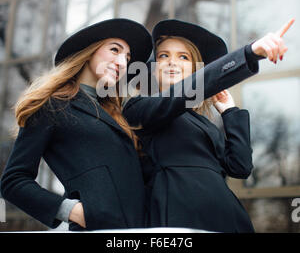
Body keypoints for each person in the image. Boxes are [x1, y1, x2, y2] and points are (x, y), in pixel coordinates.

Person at [122, 18, 293, 233]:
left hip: (226, 214)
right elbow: (181, 95)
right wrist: (249, 53)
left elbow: (240, 167)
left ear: (194, 70)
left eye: (183, 57)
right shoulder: (139, 108)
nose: (172, 62)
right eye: (163, 55)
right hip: (178, 214)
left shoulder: (205, 125)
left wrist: (230, 112)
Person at [0, 18, 153, 231]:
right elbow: (13, 182)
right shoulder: (52, 105)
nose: (122, 63)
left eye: (127, 58)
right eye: (114, 50)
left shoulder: (120, 115)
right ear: (89, 51)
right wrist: (74, 211)